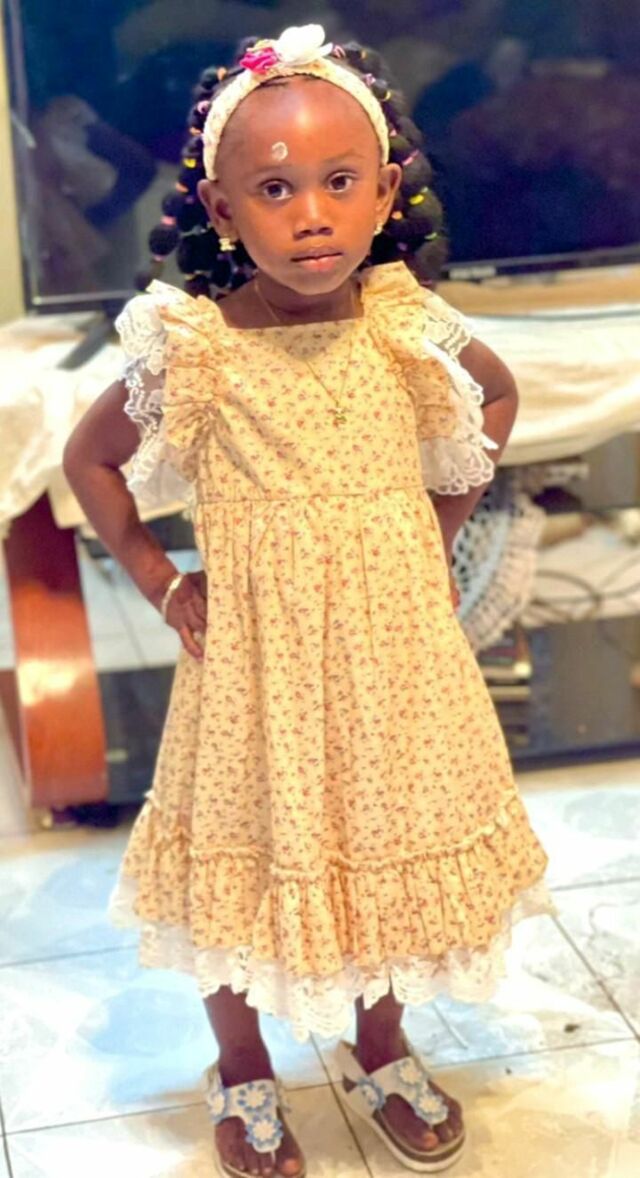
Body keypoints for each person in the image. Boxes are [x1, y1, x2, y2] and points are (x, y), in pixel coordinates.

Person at [63, 24, 554, 1178]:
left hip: (394, 663)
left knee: (385, 844)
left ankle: (381, 1045)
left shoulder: (402, 326)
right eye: (275, 190)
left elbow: (493, 399)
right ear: (222, 209)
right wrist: (161, 579)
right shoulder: (195, 347)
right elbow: (90, 460)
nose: (313, 216)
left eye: (339, 182)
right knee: (240, 862)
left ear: (384, 191)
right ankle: (241, 1063)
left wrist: (433, 527)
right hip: (256, 674)